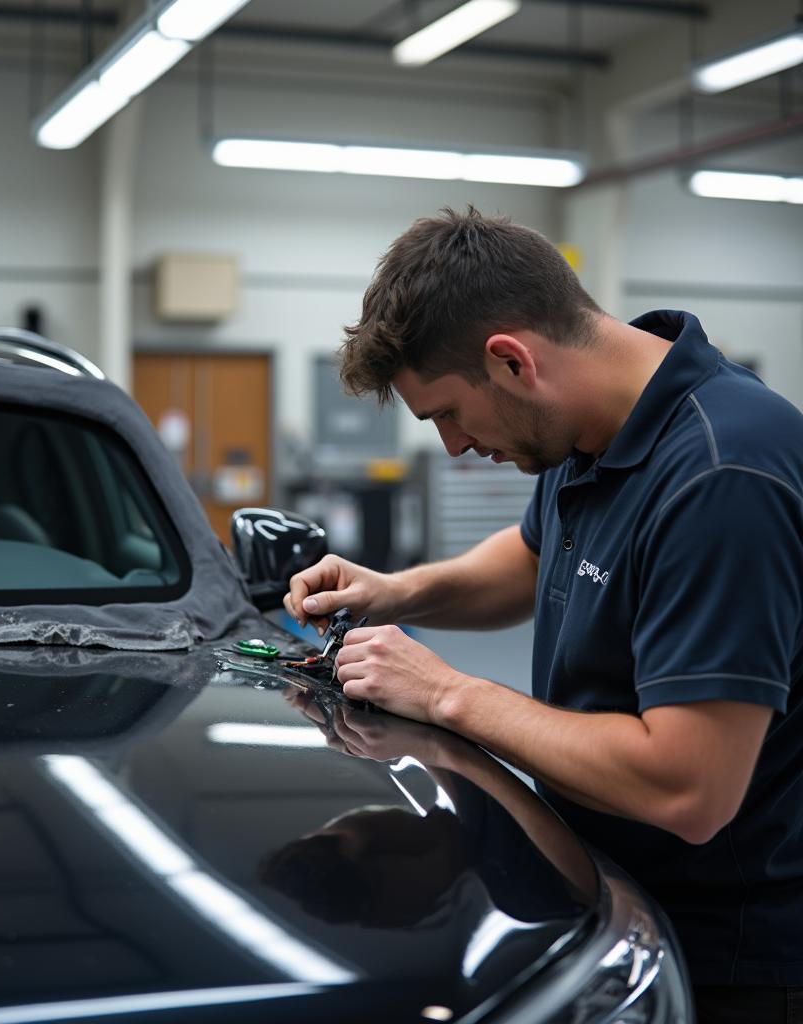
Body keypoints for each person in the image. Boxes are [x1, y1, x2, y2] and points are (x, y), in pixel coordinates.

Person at [283, 207, 803, 1023]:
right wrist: (397, 590)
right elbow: (533, 558)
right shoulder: (592, 432)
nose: (453, 446)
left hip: (731, 960)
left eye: (448, 414)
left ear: (511, 360)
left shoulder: (720, 474)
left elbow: (688, 788)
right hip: (612, 893)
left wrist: (449, 693)